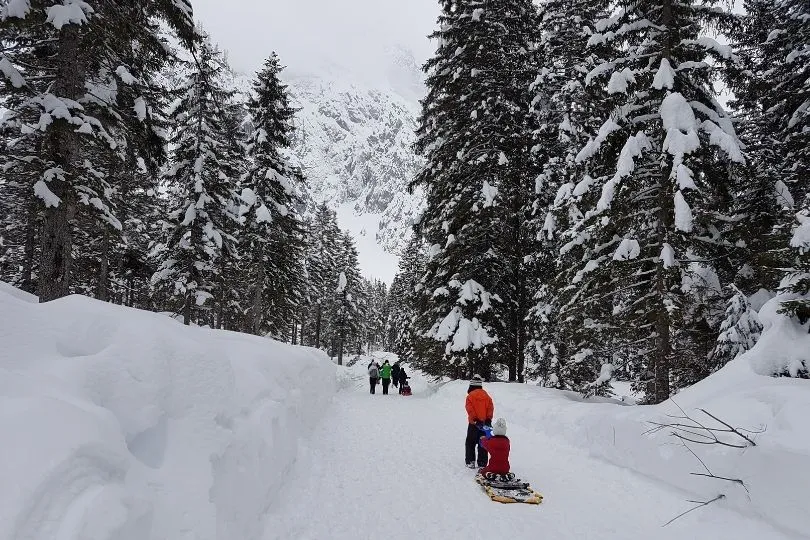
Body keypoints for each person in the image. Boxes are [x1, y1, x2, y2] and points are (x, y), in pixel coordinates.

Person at [465, 375, 493, 469]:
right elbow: (490, 408)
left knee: (470, 442)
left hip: (474, 424)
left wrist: (475, 420)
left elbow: (470, 409)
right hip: (485, 424)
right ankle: (482, 463)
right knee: (483, 443)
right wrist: (488, 419)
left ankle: (470, 461)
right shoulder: (487, 396)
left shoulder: (470, 397)